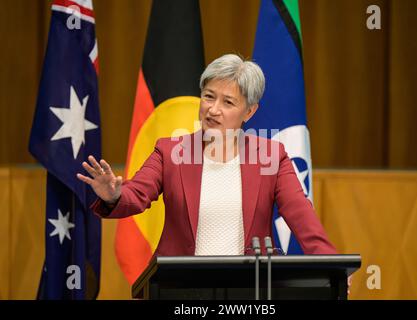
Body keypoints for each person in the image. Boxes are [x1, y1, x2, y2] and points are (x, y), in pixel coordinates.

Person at [77, 54, 337, 257]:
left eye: (228, 102)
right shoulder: (171, 151)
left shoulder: (271, 156)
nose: (213, 110)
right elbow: (137, 194)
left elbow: (301, 215)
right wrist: (114, 196)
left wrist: (331, 264)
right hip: (181, 287)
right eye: (208, 97)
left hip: (250, 287)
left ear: (249, 112)